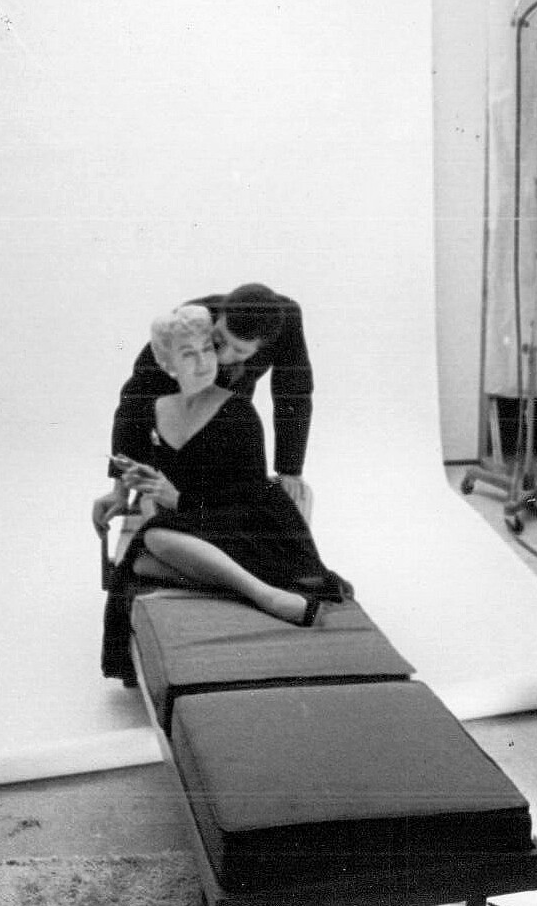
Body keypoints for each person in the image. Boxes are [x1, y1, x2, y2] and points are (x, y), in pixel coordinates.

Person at [97, 304, 350, 683]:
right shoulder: (155, 410)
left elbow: (249, 502)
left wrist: (177, 500)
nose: (204, 363)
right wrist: (133, 487)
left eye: (207, 350)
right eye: (189, 354)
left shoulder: (239, 414)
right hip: (204, 525)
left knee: (154, 540)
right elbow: (155, 458)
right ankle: (229, 578)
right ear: (167, 365)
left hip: (252, 526)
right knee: (141, 562)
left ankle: (265, 594)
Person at [92, 283, 312, 534]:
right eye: (219, 340)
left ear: (263, 347)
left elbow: (293, 395)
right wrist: (120, 490)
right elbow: (134, 403)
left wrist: (289, 470)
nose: (224, 356)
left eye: (239, 350)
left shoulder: (287, 322)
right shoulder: (188, 326)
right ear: (219, 317)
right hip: (180, 431)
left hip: (228, 427)